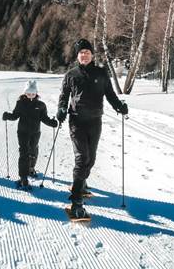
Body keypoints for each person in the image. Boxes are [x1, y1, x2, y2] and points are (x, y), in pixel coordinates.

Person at [57, 38, 128, 219]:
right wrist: (61, 109)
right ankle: (76, 202)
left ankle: (81, 182)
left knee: (91, 159)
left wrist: (119, 106)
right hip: (76, 121)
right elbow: (64, 96)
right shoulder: (71, 75)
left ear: (92, 55)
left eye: (87, 53)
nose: (84, 55)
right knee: (82, 158)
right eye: (81, 53)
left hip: (95, 121)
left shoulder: (101, 73)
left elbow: (110, 94)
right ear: (77, 56)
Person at [2, 80, 58, 190]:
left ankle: (31, 168)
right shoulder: (20, 103)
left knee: (33, 150)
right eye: (28, 93)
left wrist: (52, 123)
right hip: (22, 132)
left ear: (36, 93)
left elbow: (44, 118)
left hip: (35, 133)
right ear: (24, 93)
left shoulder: (41, 105)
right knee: (24, 152)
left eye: (32, 93)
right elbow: (15, 115)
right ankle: (23, 177)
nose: (30, 95)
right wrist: (7, 116)